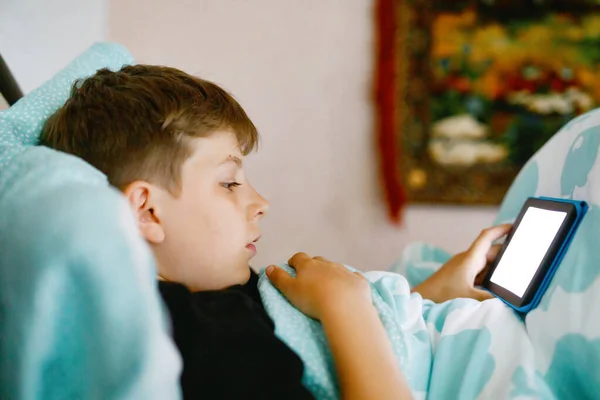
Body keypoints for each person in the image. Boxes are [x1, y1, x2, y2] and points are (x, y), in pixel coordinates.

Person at [41, 65, 510, 400]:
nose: (260, 203)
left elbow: (315, 342)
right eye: (229, 183)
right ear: (148, 211)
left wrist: (430, 294)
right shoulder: (194, 334)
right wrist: (345, 307)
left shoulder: (219, 287)